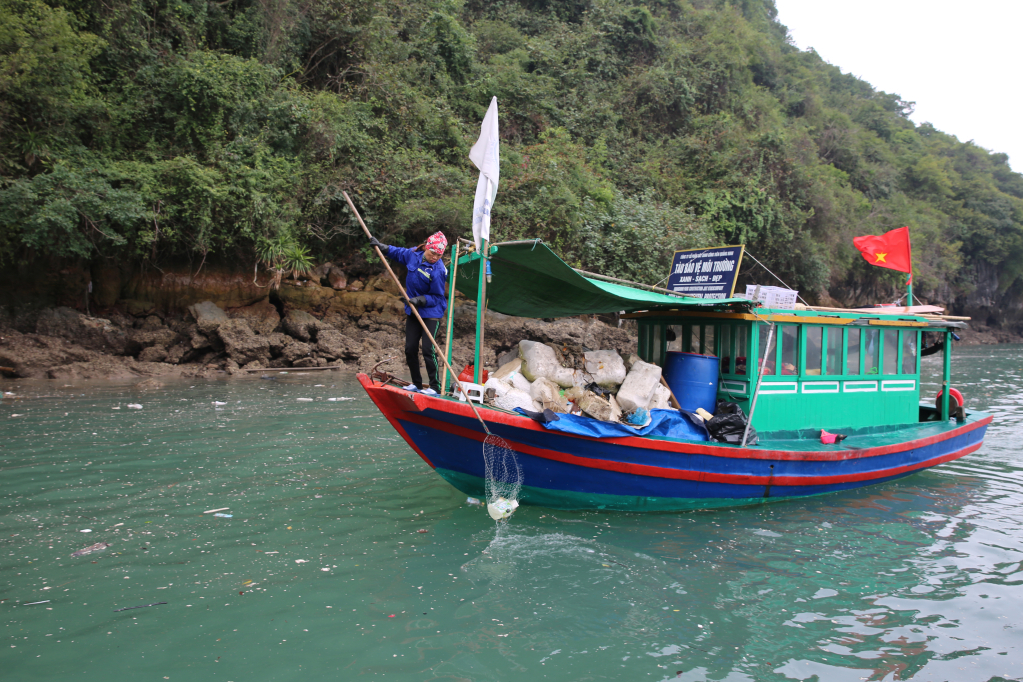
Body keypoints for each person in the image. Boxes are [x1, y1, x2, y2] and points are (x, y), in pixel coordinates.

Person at [369, 231, 448, 395]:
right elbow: (399, 253)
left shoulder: (438, 270)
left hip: (431, 312)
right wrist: (382, 247)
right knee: (410, 348)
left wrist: (420, 300)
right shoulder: (414, 255)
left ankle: (434, 387)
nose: (435, 257)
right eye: (433, 253)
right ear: (427, 247)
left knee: (428, 350)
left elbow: (437, 297)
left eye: (439, 255)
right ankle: (417, 384)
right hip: (413, 310)